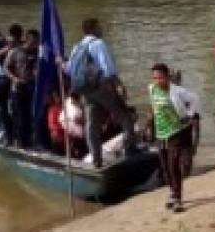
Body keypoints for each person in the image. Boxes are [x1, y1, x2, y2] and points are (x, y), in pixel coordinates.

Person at [67, 18, 138, 168]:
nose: (102, 29)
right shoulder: (98, 44)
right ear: (94, 28)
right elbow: (108, 68)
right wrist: (119, 85)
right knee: (125, 116)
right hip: (101, 87)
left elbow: (68, 69)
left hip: (86, 90)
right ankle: (130, 149)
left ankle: (96, 159)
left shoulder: (77, 47)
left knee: (92, 124)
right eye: (100, 26)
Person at [146, 63, 200, 213]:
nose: (158, 81)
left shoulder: (177, 91)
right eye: (155, 78)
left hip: (176, 131)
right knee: (164, 166)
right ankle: (172, 192)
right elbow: (152, 107)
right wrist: (149, 125)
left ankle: (177, 198)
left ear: (168, 77)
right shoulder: (152, 89)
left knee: (173, 164)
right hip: (160, 133)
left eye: (161, 77)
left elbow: (195, 99)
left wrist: (188, 116)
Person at [5, 25, 40, 149]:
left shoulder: (38, 53)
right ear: (26, 39)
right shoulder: (15, 52)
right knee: (19, 117)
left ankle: (30, 142)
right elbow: (7, 69)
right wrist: (15, 79)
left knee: (30, 116)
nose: (35, 44)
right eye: (33, 41)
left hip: (32, 89)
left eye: (37, 41)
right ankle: (20, 143)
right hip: (18, 89)